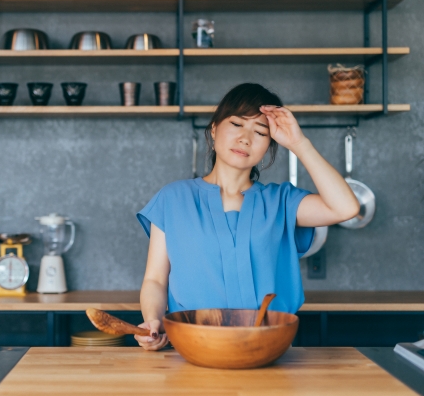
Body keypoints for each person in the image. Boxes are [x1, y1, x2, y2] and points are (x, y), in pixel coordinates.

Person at [134, 83, 360, 351]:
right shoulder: (173, 199)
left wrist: (299, 144)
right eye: (237, 124)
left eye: (260, 132)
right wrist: (152, 321)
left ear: (270, 145)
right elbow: (155, 280)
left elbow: (346, 208)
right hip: (193, 350)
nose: (246, 138)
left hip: (268, 351)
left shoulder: (282, 201)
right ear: (214, 129)